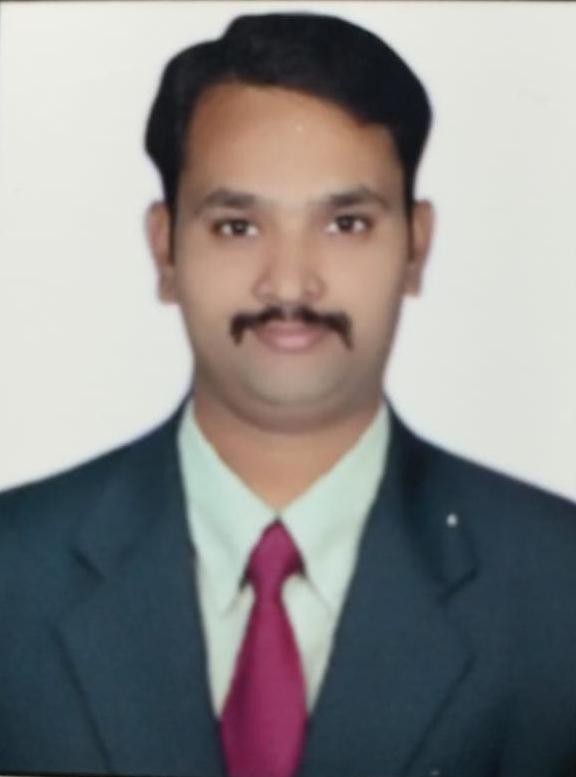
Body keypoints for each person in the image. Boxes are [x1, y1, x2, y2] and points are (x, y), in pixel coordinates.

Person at [1, 11, 576, 777]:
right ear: (165, 248)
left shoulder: (558, 584)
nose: (290, 285)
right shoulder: (13, 571)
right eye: (238, 226)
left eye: (346, 223)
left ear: (416, 243)